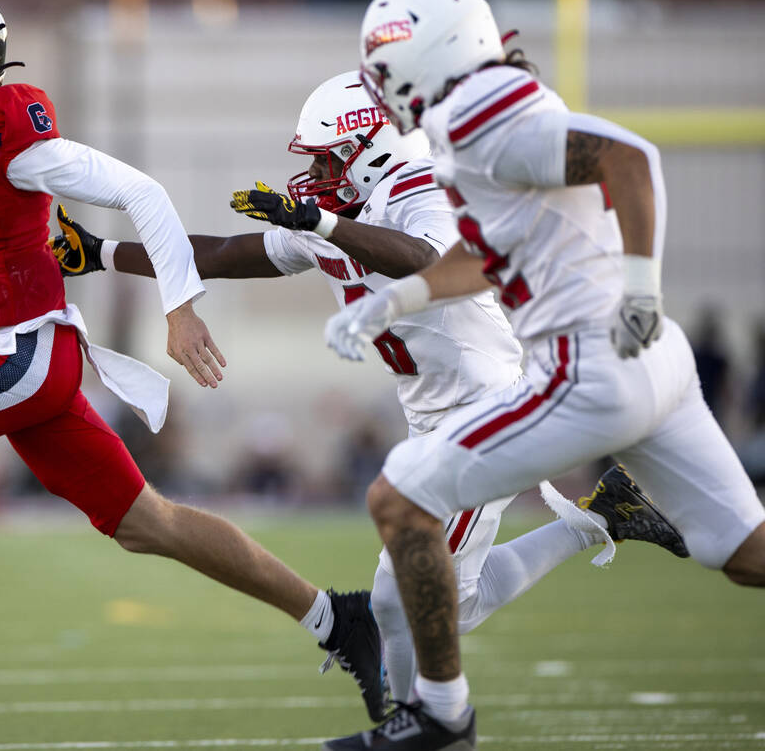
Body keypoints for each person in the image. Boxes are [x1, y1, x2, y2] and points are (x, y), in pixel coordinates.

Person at [0, 0, 384, 734]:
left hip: (22, 357)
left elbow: (143, 192)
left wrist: (179, 308)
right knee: (150, 523)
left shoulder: (6, 126)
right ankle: (335, 618)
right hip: (1, 360)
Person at [52, 70, 688, 713]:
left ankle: (420, 722)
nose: (318, 171)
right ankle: (606, 517)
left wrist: (324, 223)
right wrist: (103, 253)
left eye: (330, 156)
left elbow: (428, 260)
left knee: (408, 598)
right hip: (434, 422)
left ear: (372, 146)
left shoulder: (423, 187)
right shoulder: (336, 216)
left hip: (489, 412)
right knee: (435, 602)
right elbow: (221, 251)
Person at [321, 0, 765, 749]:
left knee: (400, 500)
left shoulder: (471, 114)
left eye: (385, 63)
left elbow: (630, 161)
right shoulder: (487, 105)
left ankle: (439, 716)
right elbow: (494, 253)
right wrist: (395, 302)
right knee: (748, 552)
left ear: (429, 52)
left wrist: (642, 283)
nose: (379, 82)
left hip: (591, 368)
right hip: (656, 363)